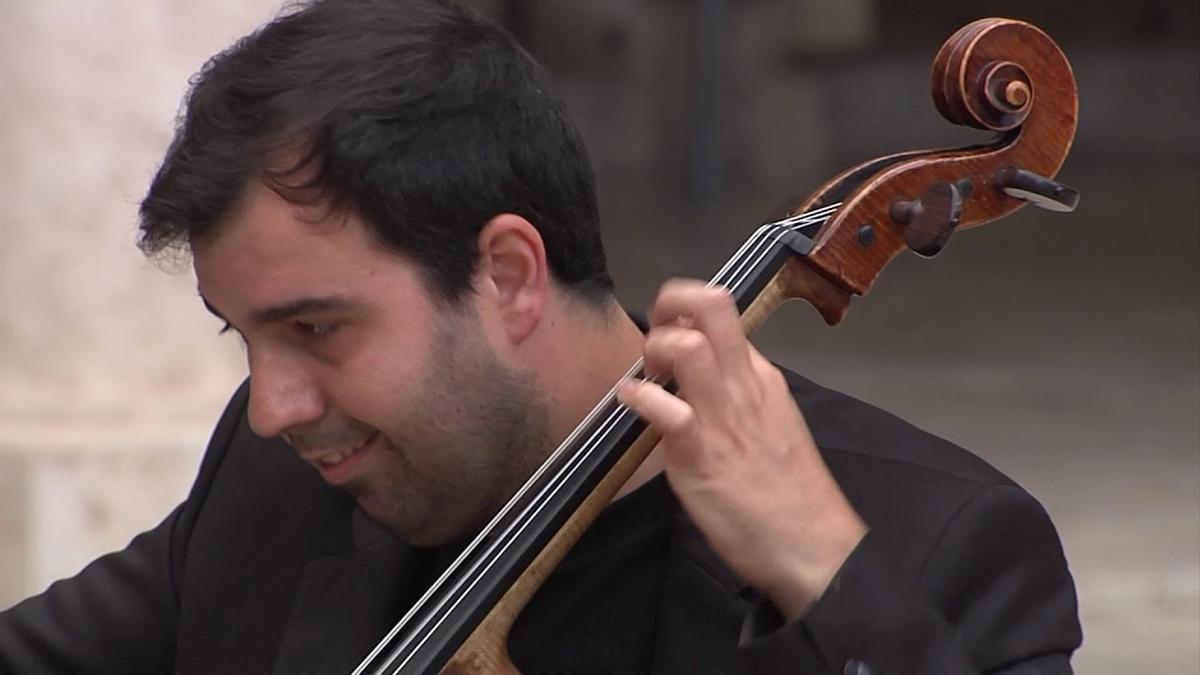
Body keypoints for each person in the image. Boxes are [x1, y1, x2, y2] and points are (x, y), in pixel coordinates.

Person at [0, 1, 1082, 673]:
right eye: (245, 340)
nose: (273, 404)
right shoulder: (279, 479)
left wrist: (816, 570)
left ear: (508, 274)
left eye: (317, 328)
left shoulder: (944, 545)